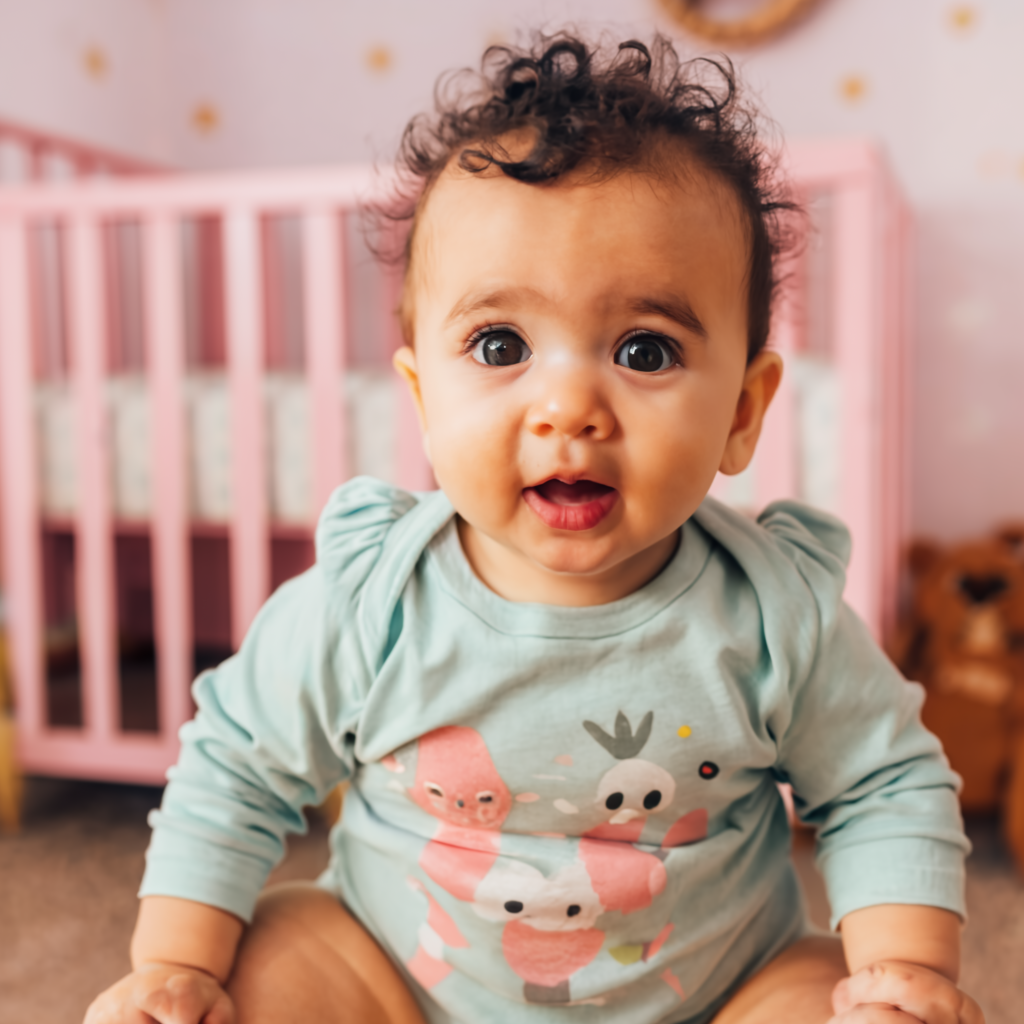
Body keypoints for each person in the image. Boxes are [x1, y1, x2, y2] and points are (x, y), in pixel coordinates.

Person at [85, 33, 984, 1024]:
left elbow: (880, 782)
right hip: (395, 977)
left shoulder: (772, 612)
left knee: (822, 998)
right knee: (275, 956)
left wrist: (906, 970)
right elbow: (239, 764)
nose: (568, 406)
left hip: (716, 991)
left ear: (741, 411)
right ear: (424, 401)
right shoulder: (373, 597)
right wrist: (176, 965)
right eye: (500, 344)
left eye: (644, 349)